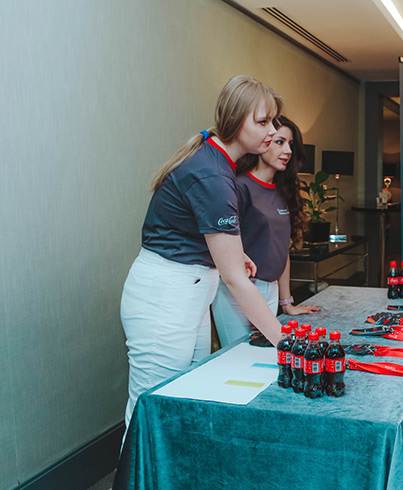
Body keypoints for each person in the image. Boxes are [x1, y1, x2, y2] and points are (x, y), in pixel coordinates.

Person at [120, 75, 286, 429]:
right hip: (166, 300)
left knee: (184, 402)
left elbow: (193, 229)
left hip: (188, 294)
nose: (272, 130)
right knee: (151, 411)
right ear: (235, 121)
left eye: (272, 121)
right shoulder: (213, 176)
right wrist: (286, 342)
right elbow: (236, 281)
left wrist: (233, 254)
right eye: (263, 122)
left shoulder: (215, 159)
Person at [211, 116, 320, 346]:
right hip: (238, 292)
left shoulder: (283, 190)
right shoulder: (240, 187)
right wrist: (250, 300)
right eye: (280, 142)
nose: (287, 151)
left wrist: (287, 303)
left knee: (265, 357)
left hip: (271, 290)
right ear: (263, 143)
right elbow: (223, 248)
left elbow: (282, 249)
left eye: (291, 144)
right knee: (238, 359)